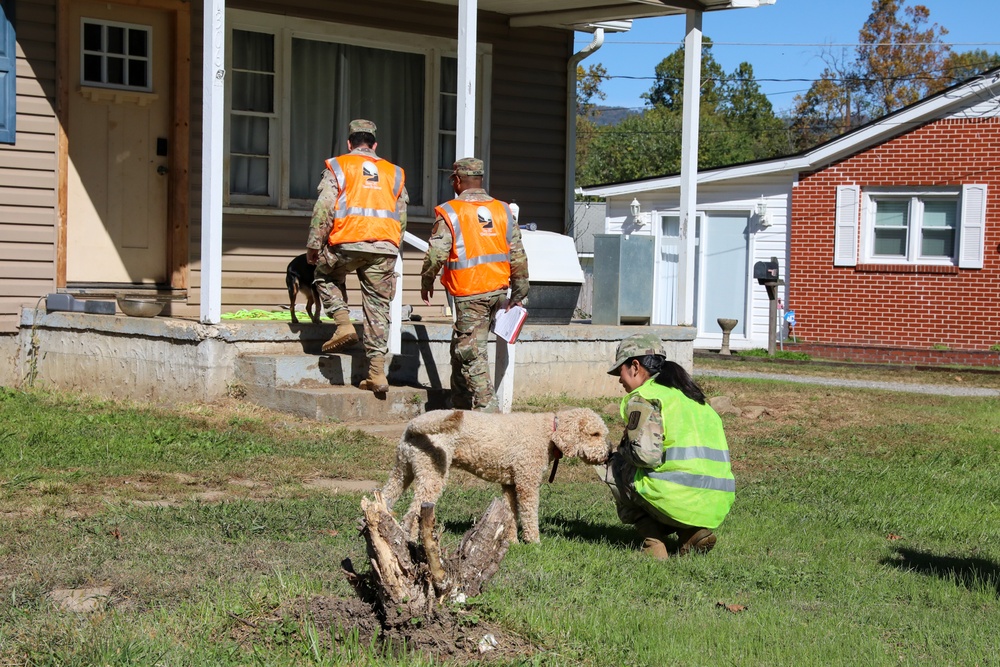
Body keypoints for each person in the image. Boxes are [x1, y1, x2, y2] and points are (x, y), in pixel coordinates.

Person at [598, 333, 735, 560]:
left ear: (635, 366)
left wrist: (618, 450)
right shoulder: (693, 398)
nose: (620, 380)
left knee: (613, 464)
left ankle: (654, 543)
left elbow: (645, 456)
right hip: (715, 502)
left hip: (674, 496)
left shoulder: (644, 397)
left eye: (620, 371)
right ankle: (690, 533)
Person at [306, 118, 408, 393]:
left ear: (350, 143)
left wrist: (315, 245)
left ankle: (342, 323)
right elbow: (402, 217)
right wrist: (392, 249)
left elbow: (324, 207)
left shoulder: (339, 166)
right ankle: (377, 374)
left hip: (346, 241)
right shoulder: (394, 173)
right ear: (374, 144)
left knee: (324, 275)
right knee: (378, 310)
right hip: (384, 247)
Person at [419, 157, 529, 412]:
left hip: (470, 293)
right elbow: (518, 254)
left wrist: (426, 280)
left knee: (471, 355)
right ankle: (459, 405)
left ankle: (488, 414)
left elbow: (437, 253)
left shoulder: (451, 211)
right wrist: (520, 289)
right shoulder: (503, 210)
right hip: (499, 291)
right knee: (462, 347)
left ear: (457, 180)